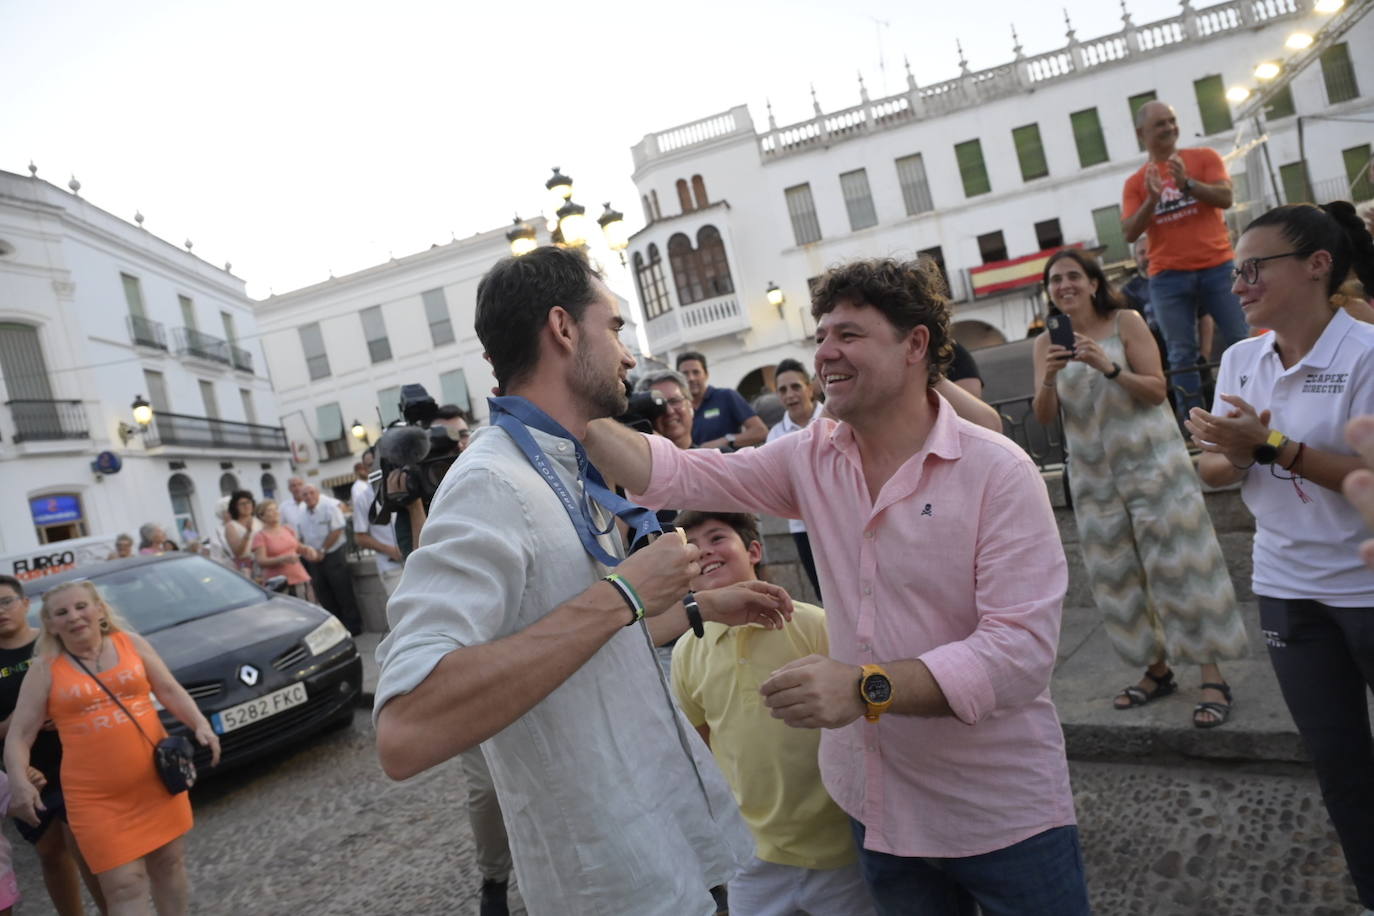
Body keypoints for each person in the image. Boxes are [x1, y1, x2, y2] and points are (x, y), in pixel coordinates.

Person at [585, 256, 1089, 914]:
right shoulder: (811, 456)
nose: (825, 354)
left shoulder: (998, 472)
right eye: (820, 336)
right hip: (877, 809)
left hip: (999, 815)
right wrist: (579, 416)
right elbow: (678, 474)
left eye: (848, 335)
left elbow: (1018, 654)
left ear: (915, 345)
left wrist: (862, 687)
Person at [374, 246, 795, 915]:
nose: (629, 355)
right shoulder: (489, 484)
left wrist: (703, 606)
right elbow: (406, 726)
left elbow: (579, 637)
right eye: (617, 328)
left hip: (672, 850)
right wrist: (623, 592)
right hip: (612, 884)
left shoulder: (565, 465)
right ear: (564, 330)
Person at [1188, 201, 1374, 911]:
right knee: (1339, 765)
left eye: (1254, 268)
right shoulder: (1241, 357)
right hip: (1287, 586)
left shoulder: (1365, 354)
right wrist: (1229, 450)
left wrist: (1269, 448)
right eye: (1235, 272)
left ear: (1318, 265)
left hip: (1366, 584)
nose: (1238, 285)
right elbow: (1213, 472)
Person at [1032, 248, 1247, 726]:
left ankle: (1212, 674)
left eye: (1071, 277)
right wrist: (1049, 377)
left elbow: (1156, 389)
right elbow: (1045, 417)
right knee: (1118, 578)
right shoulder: (1046, 342)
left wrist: (1106, 366)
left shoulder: (1125, 321)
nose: (1063, 286)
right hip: (1093, 478)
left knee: (1182, 569)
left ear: (1092, 282)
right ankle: (1157, 670)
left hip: (1153, 467)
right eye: (1054, 280)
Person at [671, 511, 874, 916]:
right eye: (691, 546)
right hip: (751, 855)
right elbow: (705, 744)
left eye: (716, 537)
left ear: (754, 550)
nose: (704, 550)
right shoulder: (685, 652)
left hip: (838, 850)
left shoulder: (815, 625)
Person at [4, 580, 221, 915]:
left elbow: (168, 688)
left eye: (81, 606)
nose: (74, 616)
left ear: (99, 610)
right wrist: (18, 780)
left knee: (169, 866)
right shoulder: (44, 669)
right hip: (96, 799)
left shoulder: (130, 643)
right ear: (50, 624)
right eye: (61, 612)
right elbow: (19, 734)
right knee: (123, 885)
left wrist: (201, 725)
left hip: (155, 782)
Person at [1122, 100, 1249, 416]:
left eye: (1172, 120)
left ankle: (1256, 408)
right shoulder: (1136, 182)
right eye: (1160, 124)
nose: (1169, 128)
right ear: (1141, 133)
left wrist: (1188, 185)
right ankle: (1196, 423)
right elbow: (1128, 232)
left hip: (1218, 265)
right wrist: (1152, 200)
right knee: (1181, 354)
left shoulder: (1204, 158)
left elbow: (1226, 198)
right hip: (1168, 275)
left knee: (1241, 340)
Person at [0, 576, 102, 916]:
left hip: (76, 760)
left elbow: (94, 687)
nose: (0, 611)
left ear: (26, 603)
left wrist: (67, 711)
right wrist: (22, 719)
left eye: (6, 602)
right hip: (26, 772)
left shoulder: (53, 643)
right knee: (50, 852)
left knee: (89, 849)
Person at [766, 358, 825, 598]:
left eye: (796, 387)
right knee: (824, 593)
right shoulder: (775, 435)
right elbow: (775, 480)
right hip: (803, 526)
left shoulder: (837, 418)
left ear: (809, 388)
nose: (790, 395)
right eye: (783, 390)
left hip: (844, 516)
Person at [298, 485, 363, 635]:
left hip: (333, 554)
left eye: (311, 492)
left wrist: (323, 550)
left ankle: (353, 628)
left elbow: (337, 529)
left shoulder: (329, 506)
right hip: (314, 557)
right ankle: (336, 629)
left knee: (343, 592)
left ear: (317, 493)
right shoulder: (302, 510)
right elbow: (301, 534)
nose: (308, 496)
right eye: (305, 494)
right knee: (323, 594)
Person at [676, 351, 769, 451]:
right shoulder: (677, 408)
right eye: (685, 374)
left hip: (729, 464)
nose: (691, 378)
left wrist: (726, 440)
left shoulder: (726, 396)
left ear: (706, 374)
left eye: (696, 372)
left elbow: (760, 431)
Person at [350, 461, 403, 595]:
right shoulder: (363, 497)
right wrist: (390, 550)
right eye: (370, 464)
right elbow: (359, 537)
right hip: (392, 568)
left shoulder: (406, 483)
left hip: (419, 560)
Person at [251, 499, 315, 600]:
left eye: (276, 509)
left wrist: (307, 549)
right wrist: (282, 559)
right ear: (262, 516)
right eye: (270, 510)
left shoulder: (287, 529)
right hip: (278, 583)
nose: (276, 512)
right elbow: (261, 561)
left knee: (306, 609)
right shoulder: (260, 536)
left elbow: (296, 546)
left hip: (299, 576)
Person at [222, 489, 261, 578]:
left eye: (248, 502)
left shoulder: (259, 521)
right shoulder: (231, 526)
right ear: (235, 507)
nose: (246, 506)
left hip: (262, 562)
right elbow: (238, 553)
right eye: (242, 504)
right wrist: (247, 533)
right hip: (247, 567)